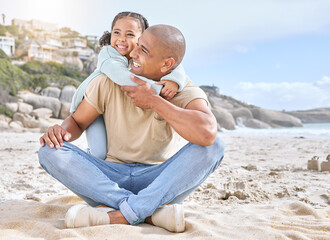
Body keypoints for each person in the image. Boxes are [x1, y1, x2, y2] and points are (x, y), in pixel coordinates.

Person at [38, 24, 225, 233]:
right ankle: (148, 212)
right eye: (138, 45)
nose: (133, 52)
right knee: (48, 150)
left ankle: (120, 214)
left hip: (159, 181)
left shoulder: (181, 89)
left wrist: (156, 102)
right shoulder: (108, 81)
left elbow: (207, 132)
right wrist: (60, 131)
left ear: (167, 65)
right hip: (108, 179)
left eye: (143, 50)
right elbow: (78, 122)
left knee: (214, 145)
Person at [71, 12, 188, 160]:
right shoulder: (108, 54)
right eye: (116, 32)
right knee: (99, 152)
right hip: (92, 107)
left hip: (113, 109)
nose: (121, 39)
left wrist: (174, 80)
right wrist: (155, 89)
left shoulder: (143, 58)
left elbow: (176, 65)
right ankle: (85, 160)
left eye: (130, 34)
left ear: (143, 38)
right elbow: (122, 76)